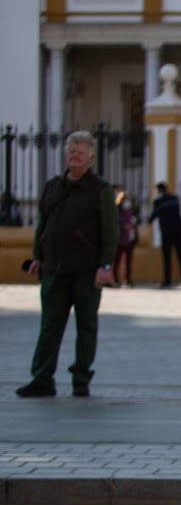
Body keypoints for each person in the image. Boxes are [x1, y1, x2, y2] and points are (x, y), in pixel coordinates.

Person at [16, 130, 117, 398]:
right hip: (54, 269)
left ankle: (80, 378)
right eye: (71, 151)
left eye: (80, 152)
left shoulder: (100, 190)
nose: (75, 156)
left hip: (86, 271)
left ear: (91, 157)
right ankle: (42, 378)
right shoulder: (53, 186)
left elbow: (110, 232)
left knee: (86, 326)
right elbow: (43, 224)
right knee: (50, 324)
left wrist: (105, 265)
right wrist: (38, 256)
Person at [148, 181, 181, 289]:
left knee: (167, 257)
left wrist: (148, 220)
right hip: (178, 231)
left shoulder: (158, 201)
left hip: (166, 232)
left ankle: (167, 280)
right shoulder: (175, 198)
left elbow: (153, 215)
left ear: (159, 190)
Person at [113, 190, 138, 288]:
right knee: (117, 260)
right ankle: (115, 279)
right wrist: (124, 226)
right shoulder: (117, 211)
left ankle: (128, 279)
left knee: (128, 261)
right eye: (125, 199)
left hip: (130, 239)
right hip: (120, 239)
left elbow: (134, 222)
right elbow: (115, 223)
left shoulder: (130, 211)